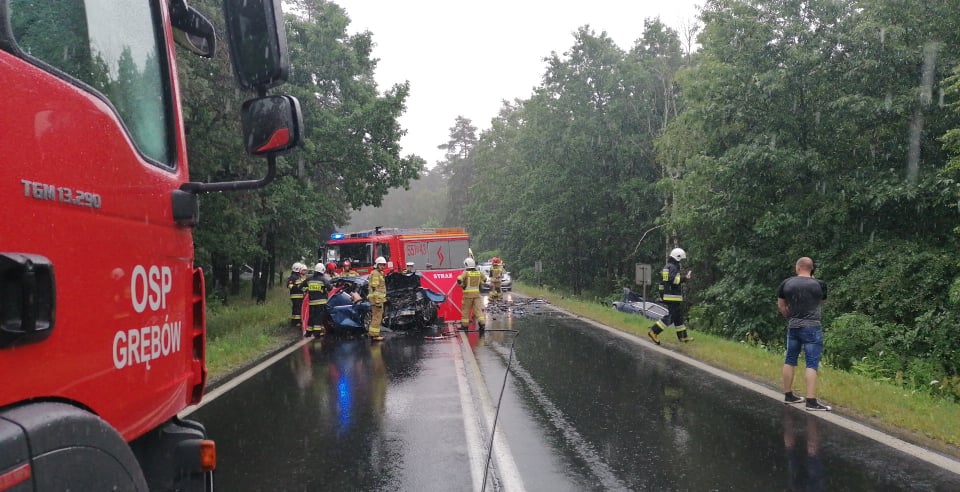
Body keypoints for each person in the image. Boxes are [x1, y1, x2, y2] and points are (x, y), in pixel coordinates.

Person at [777, 257, 831, 411]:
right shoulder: (819, 284)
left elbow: (781, 305)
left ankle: (788, 395)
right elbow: (822, 301)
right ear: (811, 268)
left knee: (790, 359)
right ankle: (811, 401)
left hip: (793, 326)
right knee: (812, 363)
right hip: (812, 328)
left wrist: (790, 316)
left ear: (798, 268)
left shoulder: (786, 283)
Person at [647, 247, 694, 345]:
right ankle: (654, 331)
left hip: (669, 296)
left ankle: (683, 337)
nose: (681, 262)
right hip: (673, 296)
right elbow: (673, 280)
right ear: (677, 258)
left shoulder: (667, 267)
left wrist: (662, 294)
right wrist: (685, 278)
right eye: (681, 259)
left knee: (678, 316)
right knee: (671, 317)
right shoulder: (673, 267)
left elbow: (662, 283)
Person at [457, 257, 488, 331]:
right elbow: (485, 279)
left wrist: (462, 286)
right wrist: (481, 283)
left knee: (466, 311)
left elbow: (459, 279)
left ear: (467, 265)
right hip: (477, 295)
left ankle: (464, 326)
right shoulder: (479, 273)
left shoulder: (466, 273)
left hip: (467, 296)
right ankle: (482, 324)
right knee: (478, 310)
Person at [304, 263, 331, 337]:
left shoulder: (309, 279)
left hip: (312, 302)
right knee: (318, 317)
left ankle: (308, 332)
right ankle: (316, 333)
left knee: (311, 317)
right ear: (322, 271)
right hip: (321, 302)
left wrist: (308, 290)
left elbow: (301, 287)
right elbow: (330, 288)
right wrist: (323, 289)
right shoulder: (323, 279)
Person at [367, 256, 388, 341]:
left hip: (379, 299)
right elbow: (374, 288)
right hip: (376, 300)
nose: (382, 266)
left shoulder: (380, 273)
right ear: (377, 265)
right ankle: (374, 335)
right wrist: (378, 301)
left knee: (377, 316)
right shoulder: (375, 273)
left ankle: (373, 333)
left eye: (383, 265)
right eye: (381, 265)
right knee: (377, 317)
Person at [287, 262, 307, 327]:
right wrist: (295, 287)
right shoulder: (292, 277)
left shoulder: (298, 276)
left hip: (300, 296)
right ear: (298, 269)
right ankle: (296, 322)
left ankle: (297, 321)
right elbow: (289, 285)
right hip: (296, 296)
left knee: (298, 308)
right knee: (297, 309)